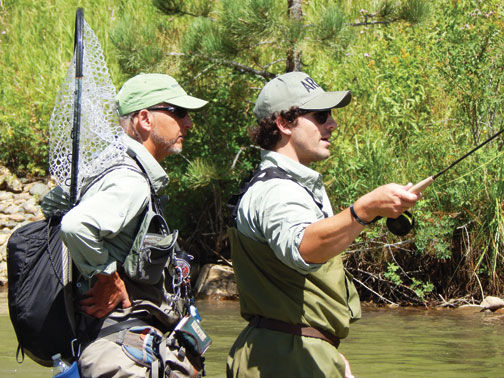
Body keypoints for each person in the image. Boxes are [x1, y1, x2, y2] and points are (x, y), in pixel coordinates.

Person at [226, 71, 421, 377]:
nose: (333, 124)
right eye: (320, 115)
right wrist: (365, 209)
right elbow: (304, 247)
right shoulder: (278, 190)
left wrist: (326, 350)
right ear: (284, 123)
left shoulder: (285, 184)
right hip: (285, 359)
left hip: (294, 352)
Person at [59, 73, 208, 377]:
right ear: (145, 119)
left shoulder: (112, 169)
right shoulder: (130, 180)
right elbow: (75, 225)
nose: (189, 123)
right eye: (178, 113)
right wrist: (105, 277)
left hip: (120, 346)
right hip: (120, 353)